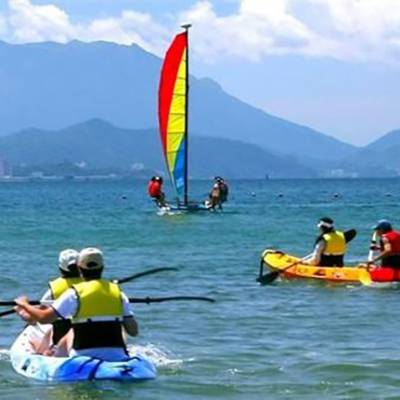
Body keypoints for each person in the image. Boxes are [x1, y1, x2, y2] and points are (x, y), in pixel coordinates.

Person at [14, 247, 138, 361]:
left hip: (83, 354)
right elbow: (133, 331)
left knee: (71, 331)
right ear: (102, 267)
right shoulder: (119, 293)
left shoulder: (74, 293)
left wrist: (24, 304)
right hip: (116, 354)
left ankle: (53, 354)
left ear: (80, 268)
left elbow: (44, 318)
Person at [31, 249, 82, 355]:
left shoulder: (55, 288)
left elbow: (42, 310)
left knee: (47, 332)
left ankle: (42, 351)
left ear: (61, 268)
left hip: (61, 333)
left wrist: (25, 308)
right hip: (86, 332)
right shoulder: (90, 284)